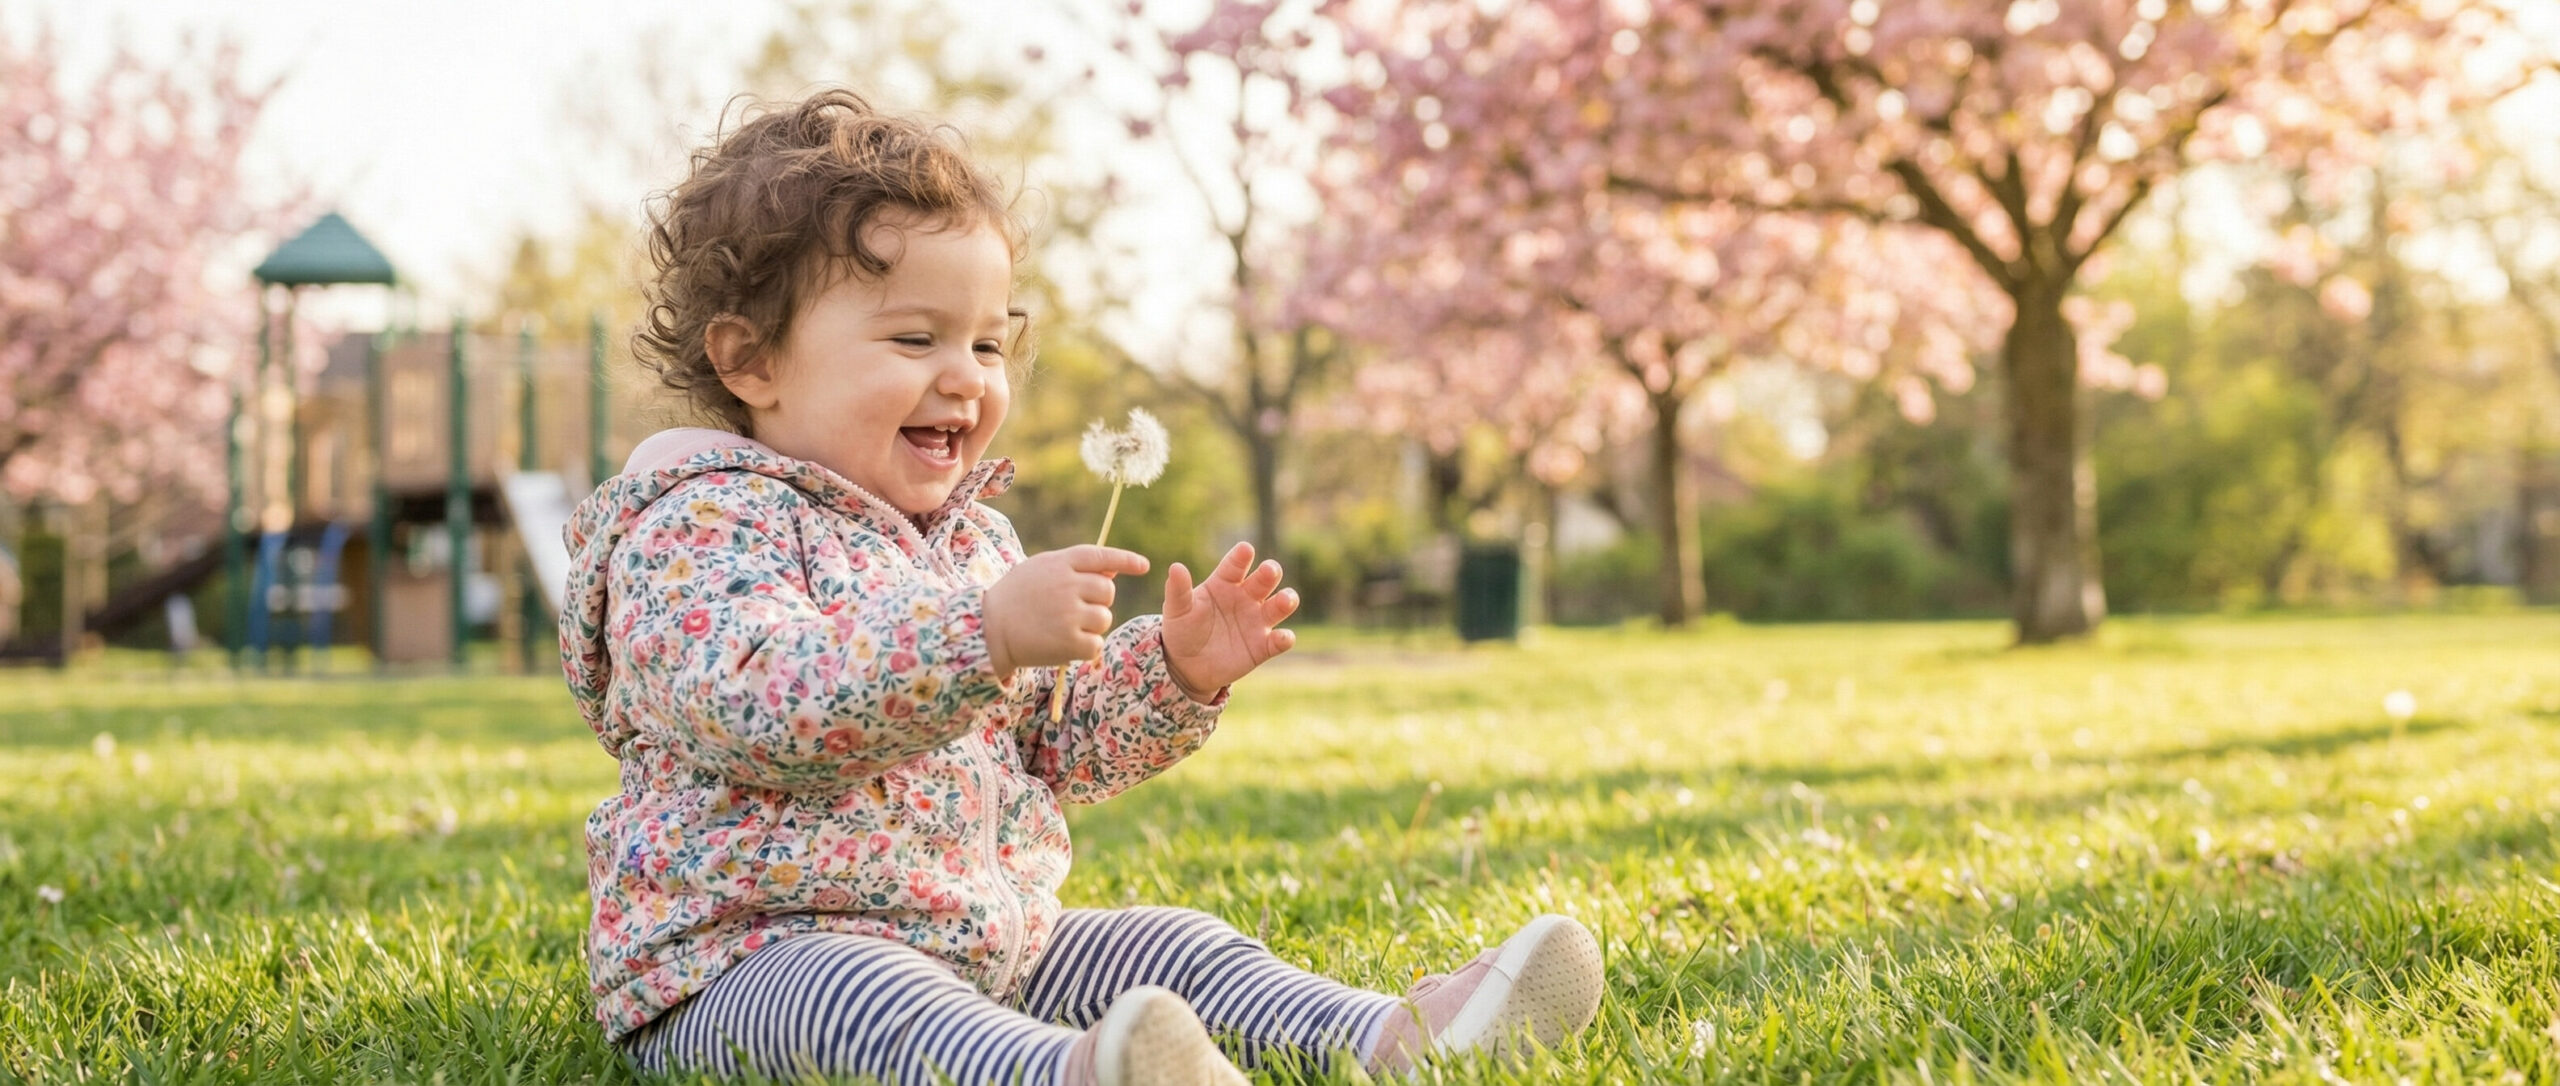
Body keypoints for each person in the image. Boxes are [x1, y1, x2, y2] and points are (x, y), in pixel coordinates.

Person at [557, 88, 1603, 1086]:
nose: (966, 374)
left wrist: (1170, 676)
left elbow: (1049, 748)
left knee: (1169, 948)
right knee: (872, 998)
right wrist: (979, 637)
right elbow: (756, 704)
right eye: (914, 338)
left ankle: (1391, 1036)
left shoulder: (970, 544)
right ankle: (1068, 1071)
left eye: (986, 341)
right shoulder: (698, 522)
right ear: (751, 363)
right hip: (748, 961)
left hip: (984, 935)